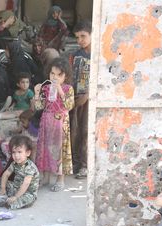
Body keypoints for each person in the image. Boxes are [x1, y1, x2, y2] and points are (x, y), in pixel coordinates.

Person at [33, 57, 75, 192]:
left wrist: (60, 91)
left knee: (59, 151)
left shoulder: (68, 89)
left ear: (65, 76)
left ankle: (60, 179)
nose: (55, 77)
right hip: (46, 122)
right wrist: (37, 94)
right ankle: (45, 177)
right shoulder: (46, 88)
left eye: (59, 75)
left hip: (60, 124)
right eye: (52, 74)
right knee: (45, 148)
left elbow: (69, 106)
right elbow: (39, 107)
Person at [69, 20, 92, 179]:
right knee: (74, 131)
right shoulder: (75, 55)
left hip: (90, 101)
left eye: (83, 36)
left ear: (92, 34)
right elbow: (70, 76)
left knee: (86, 132)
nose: (80, 40)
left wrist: (88, 95)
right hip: (75, 99)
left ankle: (85, 165)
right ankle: (76, 163)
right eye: (77, 37)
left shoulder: (98, 55)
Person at [0, 135, 39, 209]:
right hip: (16, 187)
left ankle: (4, 201)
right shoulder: (14, 163)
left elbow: (25, 184)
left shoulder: (30, 167)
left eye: (19, 152)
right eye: (14, 152)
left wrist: (16, 197)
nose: (16, 155)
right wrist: (3, 188)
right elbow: (6, 174)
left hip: (27, 192)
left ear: (28, 153)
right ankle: (4, 196)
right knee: (0, 180)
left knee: (26, 199)